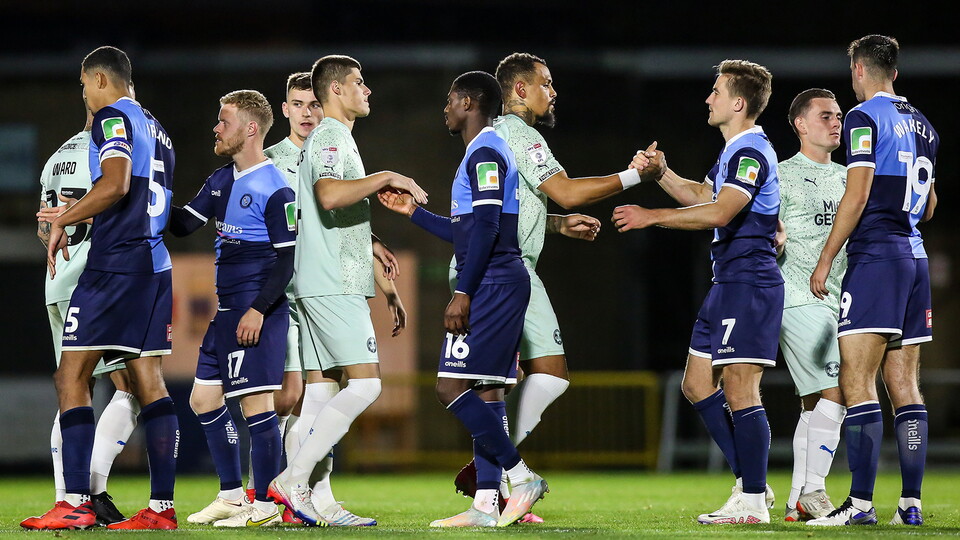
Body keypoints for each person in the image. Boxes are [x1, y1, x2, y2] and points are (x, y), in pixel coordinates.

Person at [452, 53, 663, 511]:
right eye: (545, 83)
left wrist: (554, 225)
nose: (553, 92)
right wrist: (635, 175)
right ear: (520, 90)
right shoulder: (515, 133)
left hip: (509, 265)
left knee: (527, 377)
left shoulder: (504, 137)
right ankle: (503, 476)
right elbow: (565, 190)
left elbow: (511, 208)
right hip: (501, 269)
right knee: (517, 379)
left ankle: (496, 476)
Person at [613, 59, 781, 524]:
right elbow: (703, 197)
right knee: (695, 384)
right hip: (726, 283)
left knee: (742, 389)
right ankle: (752, 485)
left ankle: (751, 499)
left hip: (749, 282)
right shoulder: (731, 152)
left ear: (738, 103)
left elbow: (722, 212)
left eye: (716, 91)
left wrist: (651, 216)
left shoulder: (750, 152)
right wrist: (662, 174)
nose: (708, 98)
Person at [380, 70, 548, 527]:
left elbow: (490, 229)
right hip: (497, 279)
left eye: (451, 100)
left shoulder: (487, 151)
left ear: (470, 102)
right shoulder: (480, 152)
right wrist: (413, 212)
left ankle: (520, 475)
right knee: (487, 390)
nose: (446, 108)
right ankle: (485, 503)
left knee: (449, 387)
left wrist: (462, 292)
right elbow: (465, 231)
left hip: (493, 282)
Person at [267, 54, 425, 527]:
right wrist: (387, 175)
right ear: (336, 89)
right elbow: (329, 195)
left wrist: (375, 252)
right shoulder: (332, 135)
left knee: (319, 393)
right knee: (368, 383)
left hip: (318, 279)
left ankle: (314, 500)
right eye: (359, 82)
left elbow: (331, 208)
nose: (367, 90)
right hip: (332, 281)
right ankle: (292, 480)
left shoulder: (328, 138)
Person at [28, 45, 179, 530]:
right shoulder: (160, 130)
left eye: (82, 86)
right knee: (147, 383)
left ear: (97, 80)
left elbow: (114, 185)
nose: (85, 97)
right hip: (155, 265)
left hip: (115, 265)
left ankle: (73, 501)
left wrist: (63, 219)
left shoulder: (112, 119)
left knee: (71, 376)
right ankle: (161, 509)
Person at [807, 34, 938, 528]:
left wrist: (825, 259)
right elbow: (928, 204)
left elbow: (857, 195)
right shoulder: (924, 125)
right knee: (904, 383)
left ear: (859, 71)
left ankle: (860, 503)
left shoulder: (863, 118)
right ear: (895, 73)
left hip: (878, 258)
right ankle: (911, 502)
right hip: (916, 258)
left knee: (856, 378)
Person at [165, 90, 294, 527]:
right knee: (203, 399)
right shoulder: (221, 179)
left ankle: (268, 506)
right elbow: (183, 225)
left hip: (256, 314)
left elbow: (287, 260)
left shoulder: (275, 188)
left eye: (224, 121)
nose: (216, 129)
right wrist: (149, 191)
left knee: (258, 407)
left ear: (251, 128)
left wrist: (258, 309)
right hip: (226, 314)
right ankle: (232, 496)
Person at [21, 104, 140, 530]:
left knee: (76, 388)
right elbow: (118, 198)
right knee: (134, 386)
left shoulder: (57, 155)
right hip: (96, 282)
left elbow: (43, 226)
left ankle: (67, 499)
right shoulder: (109, 151)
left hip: (57, 280)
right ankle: (91, 491)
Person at [775, 89, 848, 521]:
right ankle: (815, 492)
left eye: (838, 115)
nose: (835, 122)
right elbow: (747, 212)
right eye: (825, 115)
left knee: (813, 404)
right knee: (839, 392)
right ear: (800, 124)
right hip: (797, 295)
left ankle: (796, 500)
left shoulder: (849, 177)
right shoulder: (781, 174)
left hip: (838, 297)